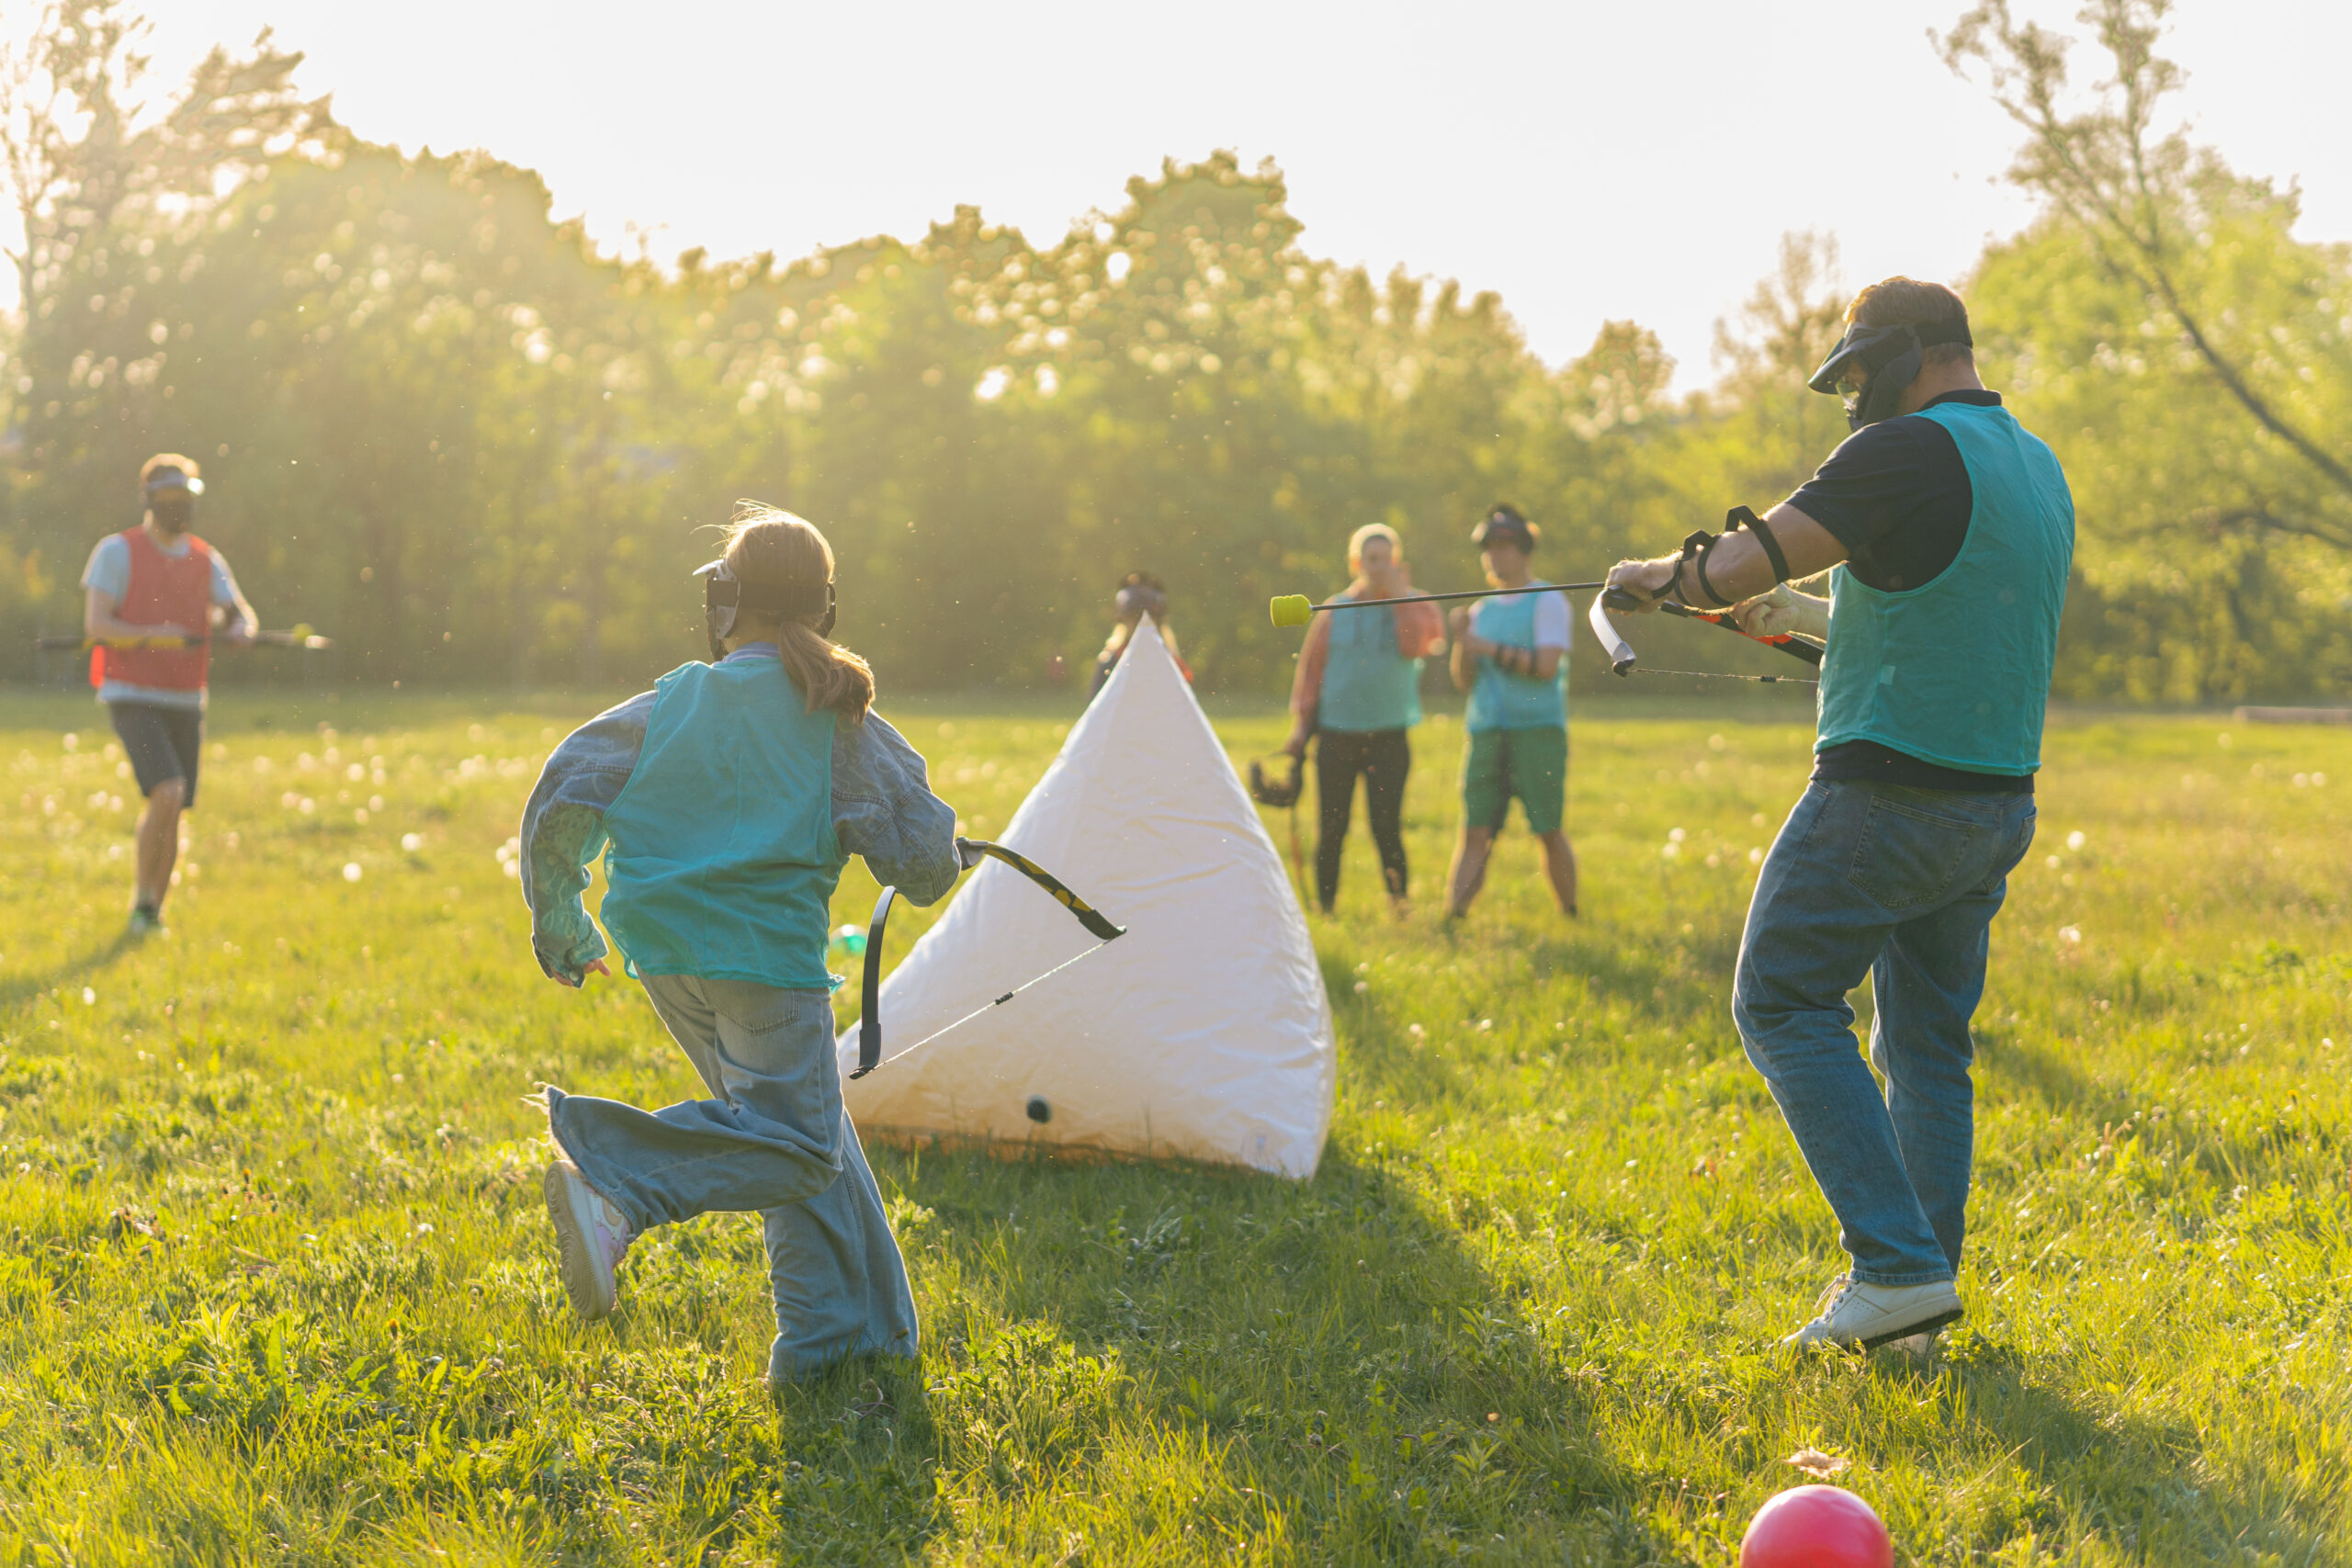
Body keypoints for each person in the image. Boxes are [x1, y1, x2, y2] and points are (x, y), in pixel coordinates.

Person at [1604, 277, 2071, 1350]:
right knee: (1924, 1049)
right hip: (1992, 807)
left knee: (1779, 1001)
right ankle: (1916, 1304)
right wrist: (1785, 613)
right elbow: (1937, 611)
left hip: (1882, 800)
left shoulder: (1902, 450)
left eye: (1861, 372)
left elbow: (1729, 563)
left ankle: (1894, 1267)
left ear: (1909, 352)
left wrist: (1661, 579)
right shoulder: (2034, 466)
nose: (1856, 396)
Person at [518, 506, 968, 1389]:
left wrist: (564, 924)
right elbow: (920, 866)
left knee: (804, 1136)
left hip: (666, 957)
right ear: (824, 608)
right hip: (765, 965)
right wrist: (945, 848)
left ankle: (844, 1339)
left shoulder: (665, 703)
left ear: (724, 602)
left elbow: (560, 796)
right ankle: (620, 1180)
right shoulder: (838, 720)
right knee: (796, 1144)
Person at [79, 453, 259, 936]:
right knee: (168, 790)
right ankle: (142, 900)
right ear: (151, 501)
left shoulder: (206, 558)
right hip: (131, 693)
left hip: (186, 696)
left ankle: (153, 911)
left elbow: (238, 612)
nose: (178, 508)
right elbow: (97, 623)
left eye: (186, 499)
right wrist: (148, 634)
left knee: (175, 806)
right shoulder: (115, 553)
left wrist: (238, 626)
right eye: (169, 499)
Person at [1283, 524, 1443, 913]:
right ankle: (1326, 908)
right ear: (1356, 563)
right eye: (1370, 559)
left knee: (1386, 827)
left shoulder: (1416, 603)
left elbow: (1415, 646)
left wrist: (1398, 596)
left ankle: (1399, 904)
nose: (1377, 566)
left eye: (1385, 559)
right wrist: (1301, 730)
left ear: (1397, 562)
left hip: (1389, 736)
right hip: (1336, 736)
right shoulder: (1333, 608)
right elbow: (1311, 673)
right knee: (1332, 829)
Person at [1446, 505, 1577, 919]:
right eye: (1489, 548)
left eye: (1503, 547)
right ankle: (1454, 918)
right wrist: (1462, 642)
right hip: (1486, 731)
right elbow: (1464, 681)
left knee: (1548, 830)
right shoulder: (1481, 611)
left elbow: (1545, 667)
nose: (1494, 556)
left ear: (1523, 551)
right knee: (1475, 831)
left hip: (1537, 731)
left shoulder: (1547, 600)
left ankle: (1570, 913)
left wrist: (1486, 648)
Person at [1085, 571, 1191, 704]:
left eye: (1150, 618)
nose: (1142, 624)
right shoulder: (1111, 661)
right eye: (1135, 617)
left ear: (1159, 621)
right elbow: (1100, 713)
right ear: (1123, 620)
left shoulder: (1172, 663)